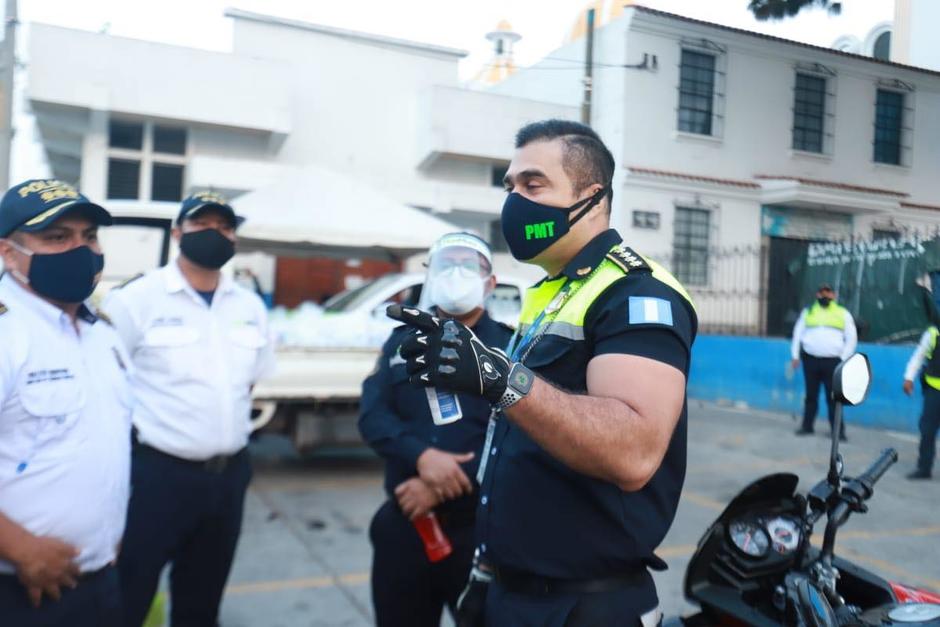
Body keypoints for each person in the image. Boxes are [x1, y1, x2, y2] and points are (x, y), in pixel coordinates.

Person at [388, 119, 697, 626]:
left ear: (592, 198)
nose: (515, 201)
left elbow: (634, 450)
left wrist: (500, 379)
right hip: (511, 591)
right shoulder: (549, 293)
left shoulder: (636, 293)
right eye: (510, 187)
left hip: (584, 606)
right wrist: (486, 574)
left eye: (533, 185)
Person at [103, 191, 275, 627]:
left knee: (202, 603)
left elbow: (248, 381)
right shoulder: (137, 300)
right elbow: (107, 387)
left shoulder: (250, 306)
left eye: (225, 227)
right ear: (178, 233)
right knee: (128, 596)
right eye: (203, 225)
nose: (216, 235)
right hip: (157, 478)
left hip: (227, 478)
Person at [359, 232, 513, 627]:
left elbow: (521, 435)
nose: (457, 274)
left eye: (470, 265)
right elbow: (372, 416)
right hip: (407, 524)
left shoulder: (510, 351)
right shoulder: (400, 344)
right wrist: (421, 456)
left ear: (490, 282)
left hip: (482, 535)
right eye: (447, 265)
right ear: (430, 276)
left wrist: (451, 477)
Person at [0, 179, 132, 626]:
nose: (81, 249)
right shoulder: (6, 336)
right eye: (57, 237)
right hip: (23, 587)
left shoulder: (102, 333)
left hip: (100, 578)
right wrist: (19, 547)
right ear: (7, 251)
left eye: (89, 236)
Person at [790, 284, 857, 440]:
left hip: (833, 362)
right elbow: (797, 334)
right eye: (822, 293)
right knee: (811, 396)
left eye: (828, 293)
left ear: (833, 295)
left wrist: (843, 358)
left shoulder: (842, 313)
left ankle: (838, 432)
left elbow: (851, 338)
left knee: (833, 398)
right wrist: (795, 356)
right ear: (817, 295)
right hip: (810, 359)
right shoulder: (808, 312)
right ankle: (807, 426)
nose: (825, 296)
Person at [902, 325, 940, 480]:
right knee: (927, 430)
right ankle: (924, 468)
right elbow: (919, 356)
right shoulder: (933, 333)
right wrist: (909, 377)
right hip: (934, 390)